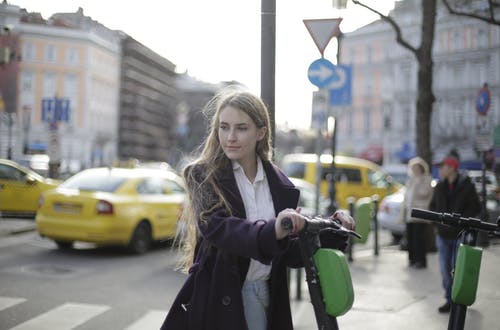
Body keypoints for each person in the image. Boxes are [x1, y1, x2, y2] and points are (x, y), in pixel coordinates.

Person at [160, 89, 355, 330]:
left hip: (268, 296)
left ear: (260, 133)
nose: (230, 136)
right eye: (224, 127)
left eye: (241, 128)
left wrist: (331, 228)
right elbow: (220, 229)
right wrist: (273, 229)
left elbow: (289, 254)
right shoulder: (202, 175)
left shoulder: (281, 185)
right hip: (217, 299)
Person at [429, 152, 481, 313]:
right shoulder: (439, 185)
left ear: (452, 168)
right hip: (443, 236)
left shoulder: (467, 185)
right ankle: (449, 299)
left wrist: (462, 221)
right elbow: (433, 207)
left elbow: (476, 207)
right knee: (445, 270)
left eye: (442, 167)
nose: (440, 170)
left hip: (460, 235)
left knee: (456, 269)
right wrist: (437, 224)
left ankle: (458, 300)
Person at [403, 157, 433, 269]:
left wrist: (418, 181)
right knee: (410, 238)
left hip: (421, 214)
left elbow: (424, 193)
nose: (415, 170)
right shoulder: (410, 180)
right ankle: (412, 260)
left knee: (419, 239)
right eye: (413, 168)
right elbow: (406, 197)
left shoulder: (426, 179)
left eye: (417, 168)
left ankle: (420, 261)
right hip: (409, 214)